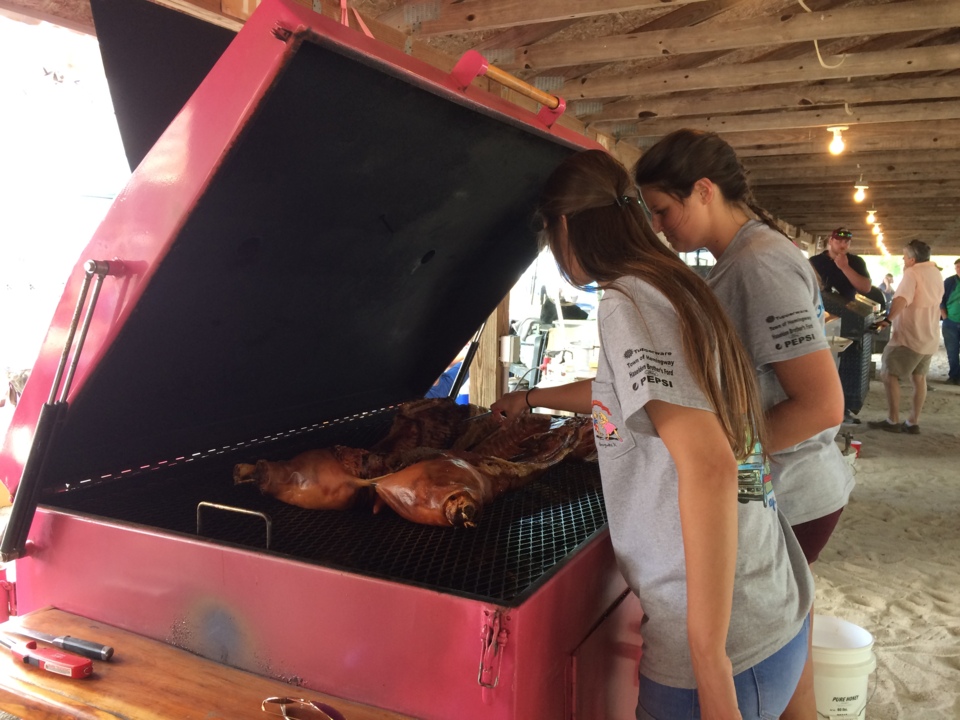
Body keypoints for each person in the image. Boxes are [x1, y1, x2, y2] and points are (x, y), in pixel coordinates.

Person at [491, 149, 813, 720]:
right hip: (770, 602)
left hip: (721, 652)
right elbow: (622, 392)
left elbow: (709, 464)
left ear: (564, 226)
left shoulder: (625, 300)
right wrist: (533, 399)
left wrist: (709, 665)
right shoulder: (675, 284)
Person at [633, 128, 854, 720]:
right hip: (779, 479)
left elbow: (821, 405)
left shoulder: (759, 264)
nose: (658, 227)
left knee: (768, 644)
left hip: (792, 488)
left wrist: (725, 460)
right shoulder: (744, 258)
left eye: (663, 210)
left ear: (703, 190)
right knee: (791, 643)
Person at [868, 240, 945, 432]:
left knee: (888, 374)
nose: (903, 260)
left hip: (910, 336)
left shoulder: (913, 273)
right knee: (919, 378)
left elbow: (902, 299)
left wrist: (887, 320)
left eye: (904, 257)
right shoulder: (936, 272)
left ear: (911, 259)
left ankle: (893, 420)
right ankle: (913, 422)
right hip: (930, 336)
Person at [809, 227, 872, 300]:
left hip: (846, 308)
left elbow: (866, 288)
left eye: (846, 242)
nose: (843, 245)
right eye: (838, 241)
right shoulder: (815, 261)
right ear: (830, 241)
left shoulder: (857, 261)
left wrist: (845, 267)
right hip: (819, 307)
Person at [941, 259, 960, 385]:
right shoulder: (949, 281)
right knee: (952, 351)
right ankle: (954, 376)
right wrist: (945, 317)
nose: (958, 269)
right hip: (951, 322)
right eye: (957, 267)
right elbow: (940, 299)